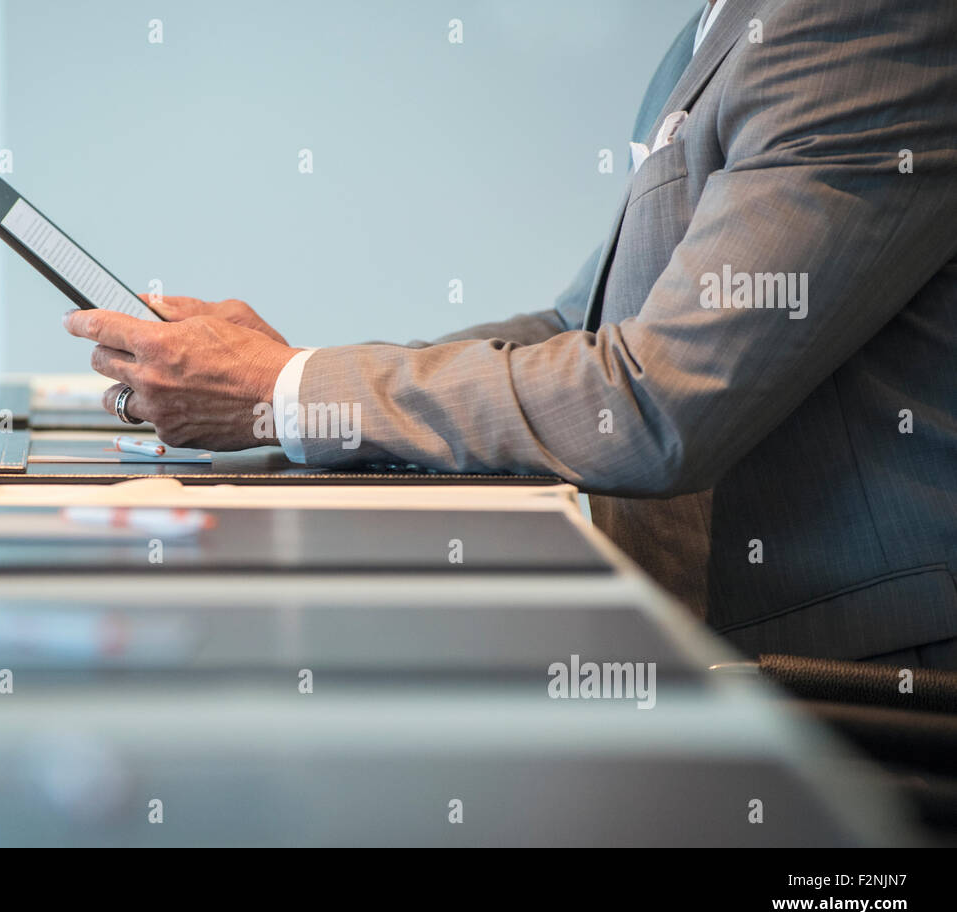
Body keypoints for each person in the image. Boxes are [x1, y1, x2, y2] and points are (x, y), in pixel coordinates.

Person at [64, 0, 957, 666]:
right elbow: (580, 326)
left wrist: (282, 392)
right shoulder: (718, 33)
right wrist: (291, 378)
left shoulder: (864, 22)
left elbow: (653, 405)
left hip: (848, 687)